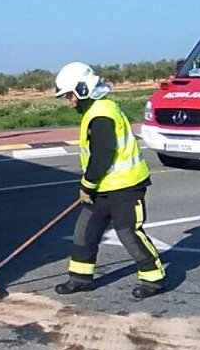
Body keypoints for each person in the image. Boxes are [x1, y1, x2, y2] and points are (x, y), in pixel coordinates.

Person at [52, 62, 166, 299]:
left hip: (126, 186)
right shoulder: (95, 111)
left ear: (83, 89)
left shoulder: (102, 114)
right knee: (85, 229)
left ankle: (153, 278)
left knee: (128, 232)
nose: (69, 101)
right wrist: (93, 185)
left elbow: (103, 155)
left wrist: (87, 185)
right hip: (103, 186)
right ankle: (80, 278)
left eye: (70, 95)